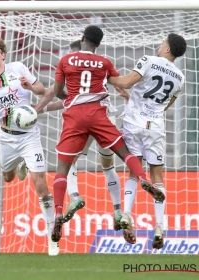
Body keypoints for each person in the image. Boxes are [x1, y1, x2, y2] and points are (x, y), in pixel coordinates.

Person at [50, 25, 165, 243]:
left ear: (82, 38)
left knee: (63, 168)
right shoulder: (104, 62)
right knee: (123, 153)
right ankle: (141, 179)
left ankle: (58, 214)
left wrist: (70, 98)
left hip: (74, 116)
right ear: (99, 44)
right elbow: (120, 82)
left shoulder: (66, 60)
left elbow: (57, 91)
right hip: (99, 115)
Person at [0, 35, 59, 256]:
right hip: (6, 137)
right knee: (8, 178)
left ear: (3, 54)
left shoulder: (18, 68)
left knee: (40, 183)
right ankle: (20, 165)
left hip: (29, 135)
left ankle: (52, 236)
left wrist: (29, 86)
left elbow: (42, 90)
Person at [34, 40, 125, 230]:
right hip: (105, 118)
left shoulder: (72, 64)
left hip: (82, 120)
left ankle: (75, 196)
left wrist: (38, 109)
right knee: (107, 166)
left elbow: (57, 94)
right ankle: (117, 210)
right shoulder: (99, 66)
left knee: (70, 162)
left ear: (76, 51)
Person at [107, 33, 187, 249]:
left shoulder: (148, 60)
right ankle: (159, 226)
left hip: (134, 124)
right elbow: (164, 105)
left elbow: (126, 82)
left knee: (134, 171)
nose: (160, 46)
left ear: (168, 49)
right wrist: (131, 98)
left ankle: (126, 214)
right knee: (157, 177)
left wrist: (102, 75)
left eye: (162, 43)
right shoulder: (180, 77)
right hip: (155, 127)